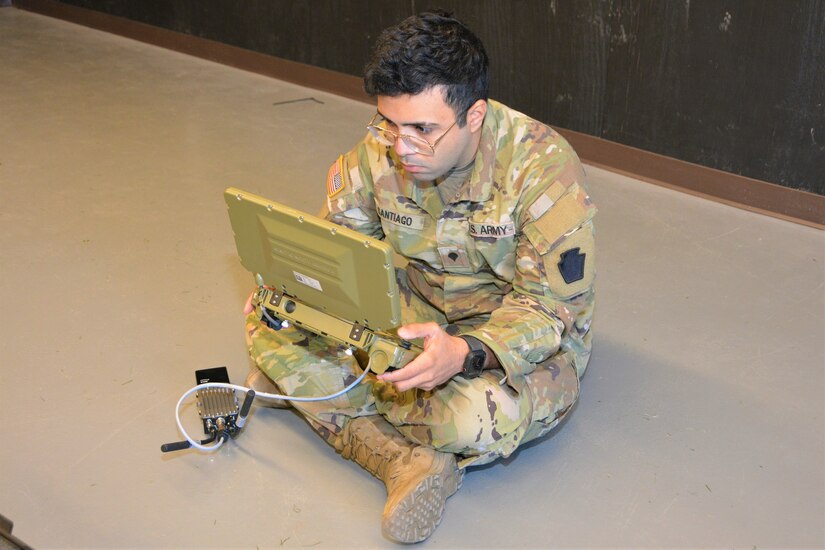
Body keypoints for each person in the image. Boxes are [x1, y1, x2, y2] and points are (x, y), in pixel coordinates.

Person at [243, 11, 596, 543]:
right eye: (390, 123)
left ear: (473, 115)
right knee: (269, 324)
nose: (402, 145)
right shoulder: (382, 147)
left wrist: (464, 352)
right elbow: (339, 245)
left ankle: (325, 397)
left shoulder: (543, 170)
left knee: (473, 419)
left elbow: (550, 311)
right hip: (420, 307)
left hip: (504, 339)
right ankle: (403, 459)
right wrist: (293, 293)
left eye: (423, 130)